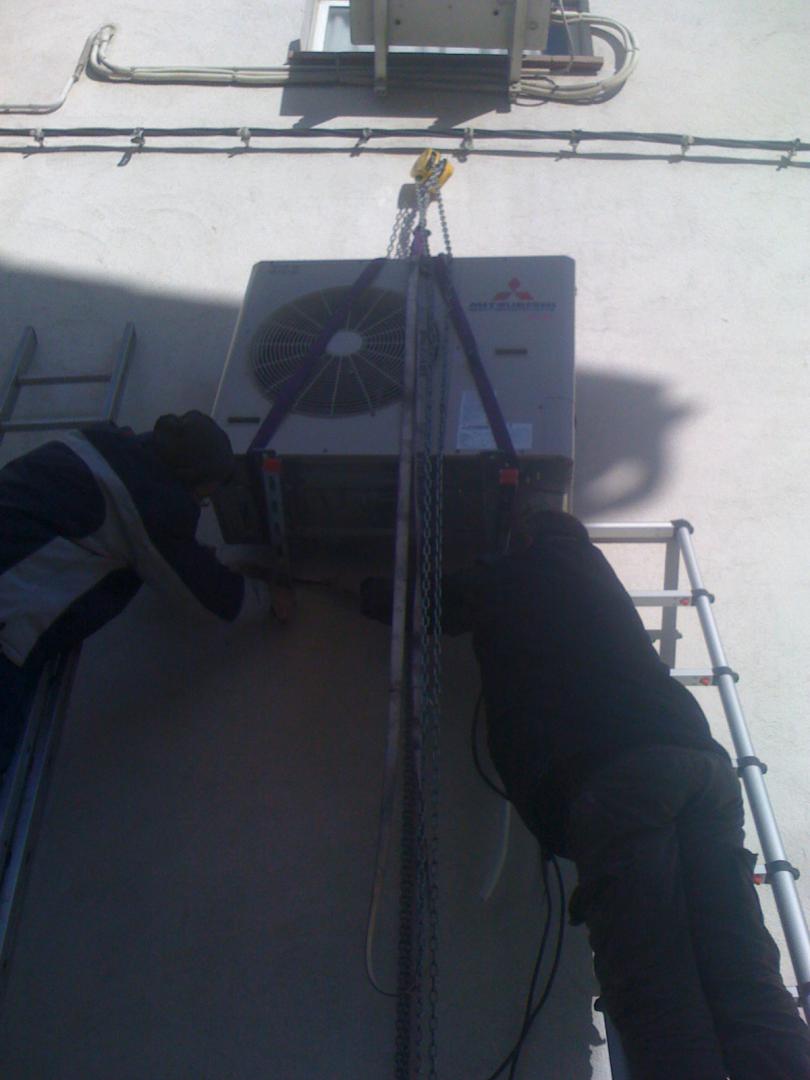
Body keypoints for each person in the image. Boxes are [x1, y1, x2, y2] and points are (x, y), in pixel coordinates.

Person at [361, 498, 810, 1080]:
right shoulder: (596, 576)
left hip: (618, 778)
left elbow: (422, 602)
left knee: (657, 989)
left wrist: (346, 589)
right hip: (704, 771)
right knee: (744, 976)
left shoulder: (520, 572)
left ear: (524, 542)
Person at [0, 412, 291, 774]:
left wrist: (181, 552)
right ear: (187, 477)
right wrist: (267, 599)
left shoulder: (102, 446)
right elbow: (205, 593)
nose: (200, 505)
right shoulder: (150, 503)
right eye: (203, 497)